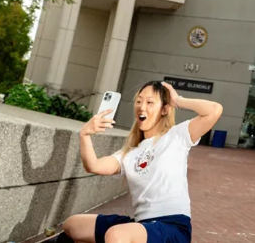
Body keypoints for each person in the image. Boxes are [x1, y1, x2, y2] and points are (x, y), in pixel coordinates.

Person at [57, 81, 223, 243]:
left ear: (164, 109)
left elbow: (214, 110)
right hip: (142, 225)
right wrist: (85, 135)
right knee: (73, 225)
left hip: (173, 227)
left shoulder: (176, 136)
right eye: (139, 101)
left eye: (150, 102)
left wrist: (177, 101)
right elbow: (93, 166)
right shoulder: (129, 153)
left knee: (116, 235)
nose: (142, 107)